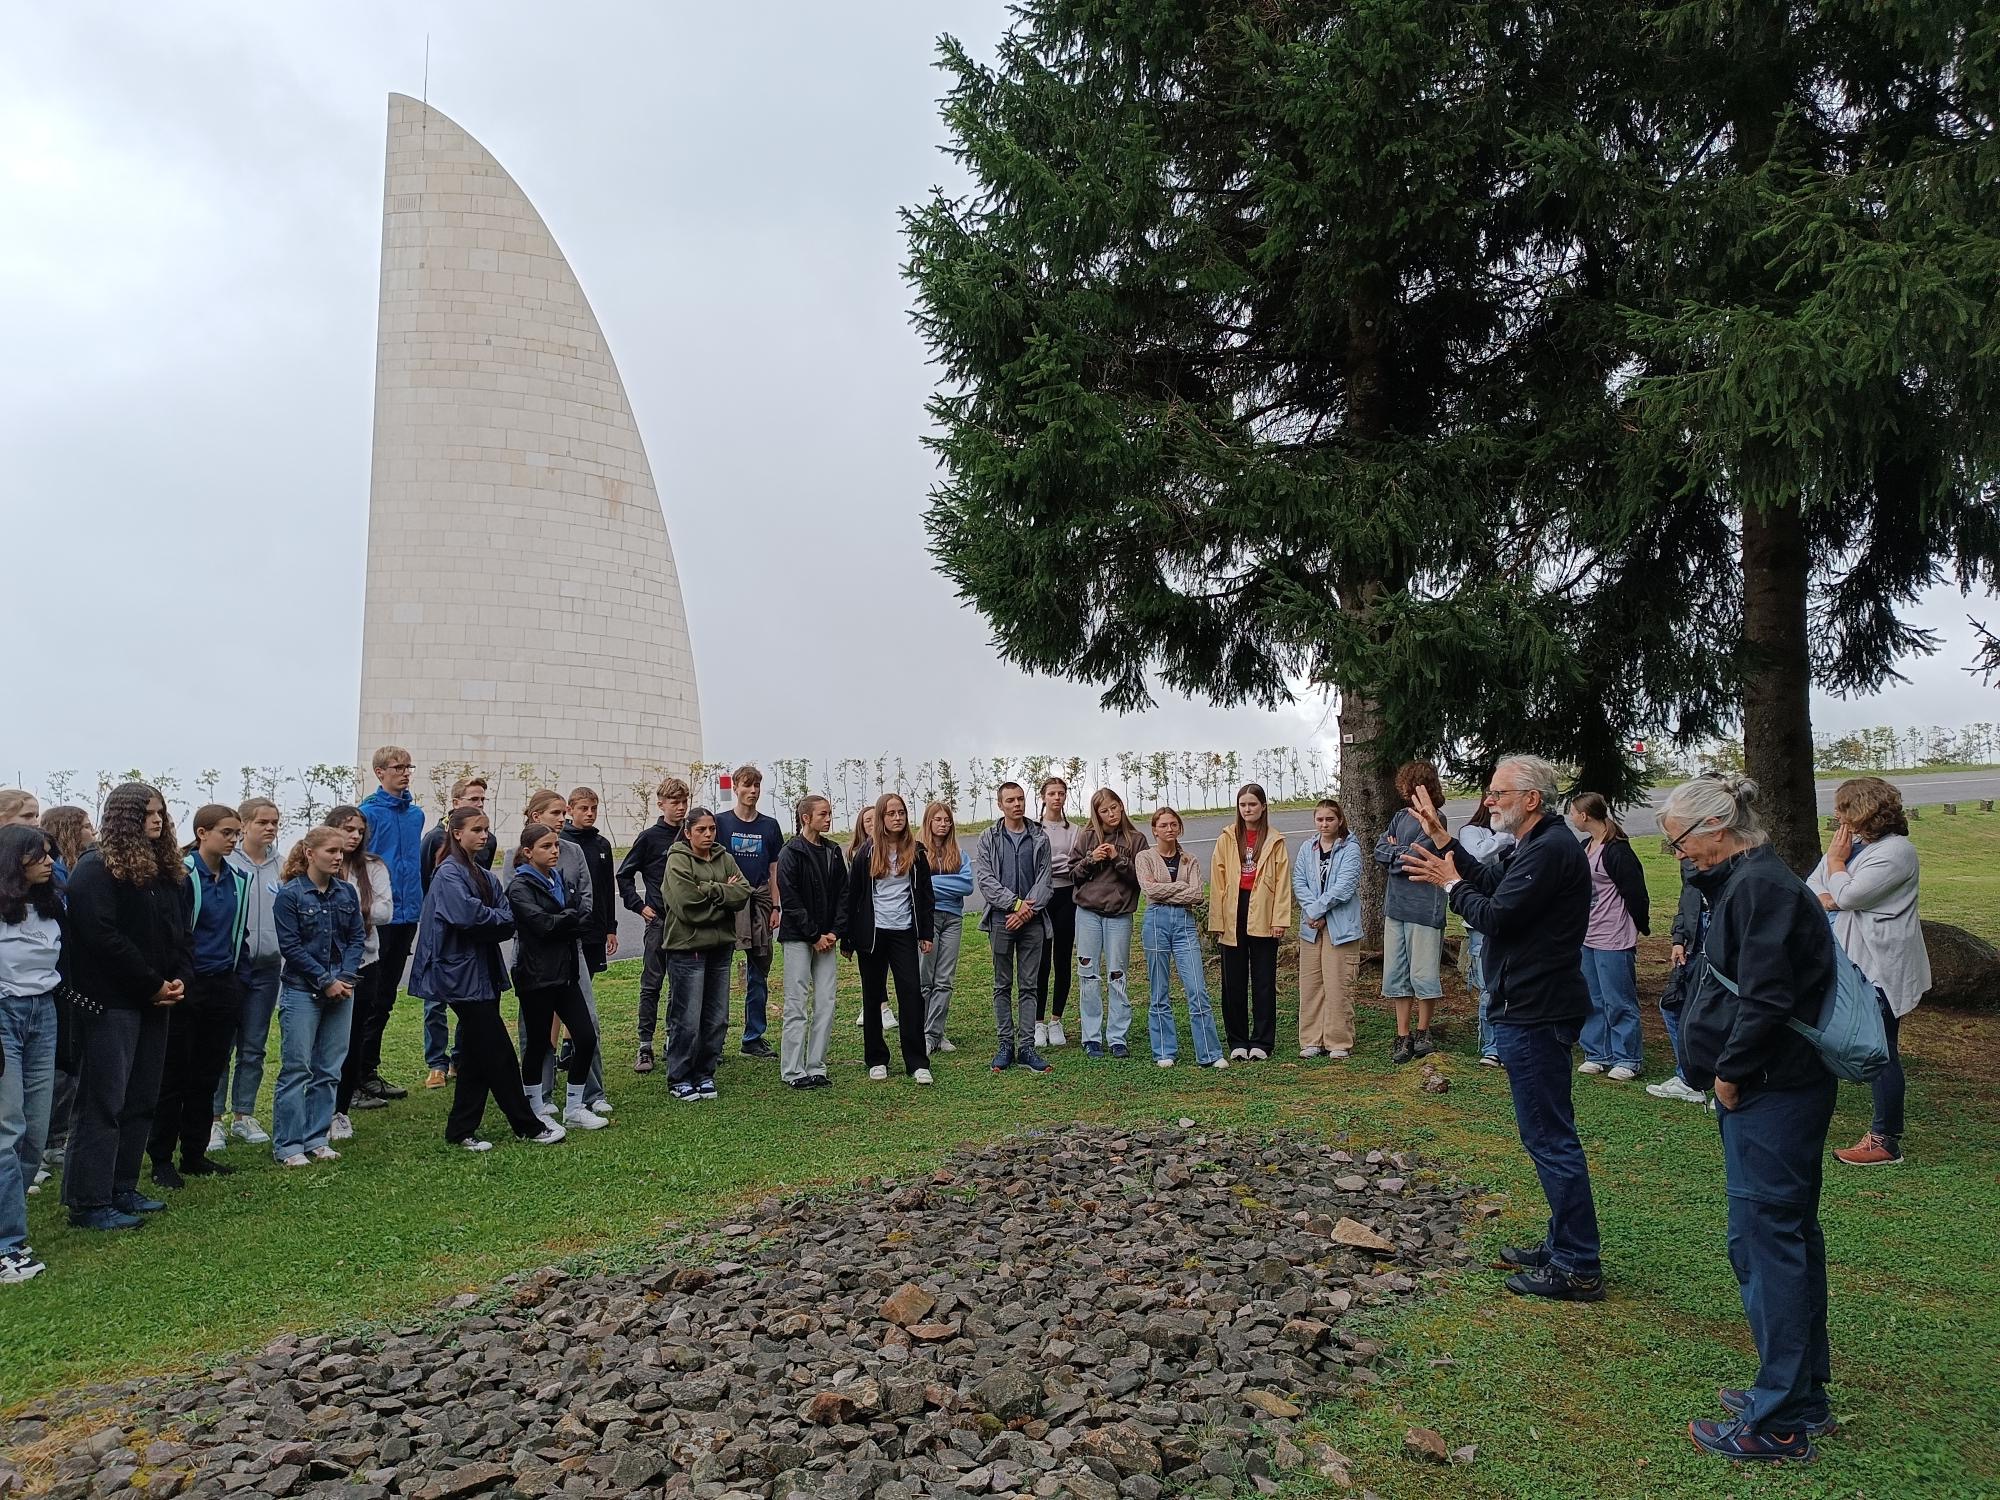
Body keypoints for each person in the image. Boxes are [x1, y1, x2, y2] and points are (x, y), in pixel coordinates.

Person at [1660, 774, 1840, 1462]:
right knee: (1778, 1238)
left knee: (1770, 1247)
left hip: (1774, 1092)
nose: (1681, 856)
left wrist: (1730, 1076)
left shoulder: (1761, 887)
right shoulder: (1750, 882)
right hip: (1776, 1091)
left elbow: (1765, 998)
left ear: (1716, 829)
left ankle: (1783, 1420)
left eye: (1682, 843)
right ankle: (1800, 1390)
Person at [1400, 756, 1604, 1303]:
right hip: (1528, 1004)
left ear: (1532, 799)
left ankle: (1578, 1265)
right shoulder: (1535, 845)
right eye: (1490, 793)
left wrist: (1448, 883)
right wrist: (1446, 841)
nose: (1489, 801)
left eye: (1499, 793)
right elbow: (1491, 879)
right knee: (1546, 1134)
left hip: (1536, 1010)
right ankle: (1563, 1244)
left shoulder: (1552, 849)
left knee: (1549, 1137)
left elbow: (1495, 915)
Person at [60, 782, 190, 1232]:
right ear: (125, 818)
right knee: (103, 1101)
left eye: (161, 812)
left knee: (140, 1098)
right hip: (111, 1003)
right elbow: (101, 936)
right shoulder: (97, 869)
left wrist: (176, 980)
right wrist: (150, 983)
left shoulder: (163, 869)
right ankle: (88, 1200)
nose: (157, 820)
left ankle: (122, 1186)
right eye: (148, 814)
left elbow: (178, 933)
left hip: (156, 1000)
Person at [411, 807, 563, 1150]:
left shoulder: (481, 873)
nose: (483, 835)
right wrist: (492, 918)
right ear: (456, 833)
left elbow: (505, 917)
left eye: (486, 829)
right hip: (457, 974)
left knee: (479, 1052)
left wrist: (491, 918)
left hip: (481, 972)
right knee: (498, 1050)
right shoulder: (448, 873)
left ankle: (461, 1129)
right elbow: (469, 917)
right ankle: (527, 1125)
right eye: (476, 830)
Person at [1809, 776, 1931, 1167]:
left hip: (1880, 966)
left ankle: (1885, 1140)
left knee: (1880, 1050)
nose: (1836, 816)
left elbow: (1848, 895)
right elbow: (1813, 886)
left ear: (1860, 811)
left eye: (1842, 808)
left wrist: (1836, 867)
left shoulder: (1896, 852)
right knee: (1838, 1037)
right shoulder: (1858, 846)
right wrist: (1833, 885)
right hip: (1851, 961)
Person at [147, 805, 249, 1188]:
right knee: (174, 1075)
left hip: (223, 983)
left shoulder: (237, 878)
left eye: (236, 832)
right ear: (202, 833)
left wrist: (239, 976)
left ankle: (194, 1152)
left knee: (208, 1073)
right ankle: (161, 1158)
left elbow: (238, 933)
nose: (233, 839)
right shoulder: (182, 876)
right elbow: (174, 933)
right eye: (226, 832)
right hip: (186, 984)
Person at [503, 791, 606, 1117]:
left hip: (571, 954)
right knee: (536, 1033)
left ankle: (591, 1094)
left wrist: (563, 921)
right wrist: (562, 920)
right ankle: (540, 1096)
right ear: (535, 817)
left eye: (564, 812)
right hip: (534, 958)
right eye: (556, 812)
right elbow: (524, 913)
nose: (563, 819)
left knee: (586, 1023)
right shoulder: (513, 858)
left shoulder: (573, 853)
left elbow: (584, 904)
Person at [269, 826, 365, 1168]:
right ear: (310, 853)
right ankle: (289, 1145)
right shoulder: (291, 895)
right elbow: (290, 946)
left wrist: (344, 977)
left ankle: (316, 1136)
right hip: (301, 990)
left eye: (341, 852)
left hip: (342, 988)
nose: (339, 857)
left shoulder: (347, 893)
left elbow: (357, 938)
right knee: (297, 1068)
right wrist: (325, 980)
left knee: (330, 1068)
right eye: (331, 852)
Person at [0, 825, 62, 1282]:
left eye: (49, 854)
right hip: (3, 1013)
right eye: (37, 856)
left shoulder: (49, 904)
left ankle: (9, 1224)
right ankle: (8, 1244)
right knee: (7, 1127)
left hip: (44, 1013)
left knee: (35, 1132)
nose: (48, 862)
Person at [660, 808, 752, 1103]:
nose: (708, 835)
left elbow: (744, 892)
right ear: (688, 832)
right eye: (701, 830)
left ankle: (704, 1073)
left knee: (716, 1017)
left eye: (712, 829)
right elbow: (687, 905)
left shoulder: (724, 857)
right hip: (688, 950)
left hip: (721, 948)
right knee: (687, 1017)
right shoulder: (677, 861)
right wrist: (725, 894)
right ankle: (679, 1077)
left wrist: (710, 889)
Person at [844, 793, 935, 1083]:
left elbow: (925, 897)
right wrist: (848, 938)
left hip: (904, 932)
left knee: (911, 995)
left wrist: (926, 933)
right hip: (872, 935)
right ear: (881, 818)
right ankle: (876, 1058)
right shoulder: (867, 853)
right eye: (891, 813)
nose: (897, 818)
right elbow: (853, 896)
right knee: (873, 996)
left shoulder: (917, 852)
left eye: (901, 813)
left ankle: (917, 1062)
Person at [414, 775, 495, 1087]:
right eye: (473, 799)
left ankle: (460, 1058)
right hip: (441, 931)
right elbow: (427, 885)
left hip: (473, 930)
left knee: (471, 995)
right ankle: (436, 1061)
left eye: (482, 800)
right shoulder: (433, 840)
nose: (478, 804)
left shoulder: (488, 841)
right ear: (456, 802)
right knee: (436, 999)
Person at [356, 746, 426, 1099]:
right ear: (380, 772)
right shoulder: (366, 814)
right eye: (397, 767)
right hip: (376, 917)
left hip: (407, 914)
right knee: (366, 996)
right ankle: (352, 1075)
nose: (404, 772)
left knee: (385, 998)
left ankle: (368, 1069)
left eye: (407, 767)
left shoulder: (416, 816)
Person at [1568, 792, 1651, 1081]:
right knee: (1591, 997)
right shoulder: (1585, 846)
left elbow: (1636, 892)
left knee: (1619, 999)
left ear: (1585, 815)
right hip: (1587, 935)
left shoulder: (1616, 850)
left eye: (1573, 812)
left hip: (1614, 936)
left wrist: (1641, 924)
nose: (1571, 817)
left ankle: (1627, 1057)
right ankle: (1597, 1053)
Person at [215, 797, 282, 1149]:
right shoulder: (226, 862)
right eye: (263, 822)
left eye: (274, 823)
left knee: (254, 1045)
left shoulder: (282, 866)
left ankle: (244, 1113)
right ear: (245, 826)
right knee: (221, 1043)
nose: (270, 828)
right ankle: (213, 1118)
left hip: (268, 967)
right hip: (230, 967)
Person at [974, 782, 1054, 1074]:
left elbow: (1046, 879)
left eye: (1020, 799)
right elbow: (985, 879)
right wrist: (1014, 905)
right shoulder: (988, 838)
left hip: (1032, 921)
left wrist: (1026, 910)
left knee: (1030, 985)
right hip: (1000, 920)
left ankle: (1027, 1047)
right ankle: (1005, 1044)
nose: (1017, 804)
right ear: (1000, 805)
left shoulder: (1039, 837)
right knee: (1002, 984)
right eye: (1010, 800)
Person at [1135, 808, 1224, 1069]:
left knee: (1197, 988)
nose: (1169, 829)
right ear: (1154, 830)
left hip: (1184, 922)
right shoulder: (1145, 857)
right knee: (1159, 988)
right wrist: (1180, 887)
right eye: (1163, 825)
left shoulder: (1190, 860)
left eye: (1174, 824)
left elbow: (1197, 895)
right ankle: (1164, 1050)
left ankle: (1209, 1052)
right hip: (1155, 922)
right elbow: (1149, 890)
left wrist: (1168, 891)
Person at [1210, 782, 1292, 1061]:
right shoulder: (1228, 837)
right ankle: (1237, 1041)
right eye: (1243, 805)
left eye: (1252, 804)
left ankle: (1262, 1041)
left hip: (1264, 912)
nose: (1247, 809)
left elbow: (1283, 883)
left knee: (1263, 979)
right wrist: (1218, 920)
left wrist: (1279, 919)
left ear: (1263, 807)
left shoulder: (1274, 839)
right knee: (1233, 981)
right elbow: (1218, 880)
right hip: (1234, 911)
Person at [326, 807, 393, 1142]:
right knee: (322, 1040)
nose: (353, 835)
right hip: (325, 965)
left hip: (365, 962)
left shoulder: (373, 866)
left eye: (358, 830)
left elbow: (385, 910)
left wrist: (350, 908)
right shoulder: (319, 864)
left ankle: (340, 1110)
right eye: (347, 828)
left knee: (353, 1039)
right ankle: (317, 1108)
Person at [1375, 761, 1449, 1063]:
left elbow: (1414, 858)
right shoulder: (1399, 817)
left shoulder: (1436, 819)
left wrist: (1396, 852)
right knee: (1396, 974)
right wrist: (1396, 852)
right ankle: (1402, 1035)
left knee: (1423, 973)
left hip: (1425, 909)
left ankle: (1423, 1032)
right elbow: (1381, 851)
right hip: (1396, 907)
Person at [615, 776, 687, 1073]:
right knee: (651, 984)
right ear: (661, 804)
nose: (681, 808)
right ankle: (645, 1045)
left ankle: (675, 1040)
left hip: (686, 924)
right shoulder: (649, 837)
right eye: (675, 802)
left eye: (684, 802)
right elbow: (624, 875)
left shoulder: (691, 834)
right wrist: (640, 906)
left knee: (681, 985)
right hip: (658, 921)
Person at [35, 807, 92, 1180]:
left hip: (73, 981)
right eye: (86, 824)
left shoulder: (74, 868)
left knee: (68, 1065)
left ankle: (56, 1140)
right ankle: (38, 1146)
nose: (93, 829)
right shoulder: (54, 874)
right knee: (51, 1070)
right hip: (50, 985)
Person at [776, 795, 847, 1088]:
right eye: (823, 814)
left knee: (826, 1002)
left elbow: (844, 894)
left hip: (827, 939)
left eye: (830, 813)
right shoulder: (790, 852)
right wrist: (813, 934)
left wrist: (833, 932)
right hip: (798, 939)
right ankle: (793, 1070)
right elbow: (789, 899)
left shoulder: (833, 851)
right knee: (796, 1003)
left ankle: (816, 1066)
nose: (829, 818)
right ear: (806, 817)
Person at [1070, 788, 1147, 1060]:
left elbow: (1142, 878)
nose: (1111, 814)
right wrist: (1092, 859)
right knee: (1088, 975)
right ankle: (1091, 1037)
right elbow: (1073, 874)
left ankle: (1117, 1037)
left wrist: (1117, 858)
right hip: (1088, 914)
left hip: (1119, 916)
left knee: (1118, 975)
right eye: (1104, 810)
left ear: (1121, 807)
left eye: (1114, 807)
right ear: (1097, 813)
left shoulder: (1136, 839)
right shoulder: (1087, 837)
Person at [714, 768, 785, 1060]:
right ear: (737, 788)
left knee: (759, 974)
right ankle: (713, 1041)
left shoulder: (769, 826)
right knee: (719, 973)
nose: (753, 791)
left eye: (757, 785)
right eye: (747, 785)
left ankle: (753, 1036)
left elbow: (774, 869)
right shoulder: (720, 823)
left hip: (760, 904)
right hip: (728, 907)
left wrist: (776, 906)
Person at [1292, 798, 1362, 1060]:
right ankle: (1312, 1039)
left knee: (1338, 984)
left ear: (1340, 820)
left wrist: (1319, 911)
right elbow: (1299, 881)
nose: (1324, 824)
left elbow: (1344, 887)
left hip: (1339, 927)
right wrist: (1312, 911)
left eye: (1329, 819)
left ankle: (1338, 1041)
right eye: (1320, 819)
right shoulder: (1306, 848)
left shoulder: (1350, 849)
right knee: (1311, 985)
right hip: (1311, 928)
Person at [1456, 801, 1515, 1067]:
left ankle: (1512, 1043)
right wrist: (1504, 835)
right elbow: (1477, 859)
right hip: (1482, 920)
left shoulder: (1525, 836)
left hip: (1515, 917)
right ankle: (1492, 1046)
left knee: (1515, 984)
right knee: (1489, 987)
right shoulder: (1471, 831)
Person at [1646, 861, 1709, 1104]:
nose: (1679, 851)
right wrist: (1679, 938)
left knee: (1717, 1009)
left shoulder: (1733, 859)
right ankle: (1690, 1078)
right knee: (1673, 1004)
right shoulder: (1689, 858)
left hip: (1717, 934)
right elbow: (1687, 897)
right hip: (1694, 937)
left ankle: (1727, 1080)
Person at [918, 802, 973, 1055]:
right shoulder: (917, 852)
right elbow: (916, 886)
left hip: (953, 919)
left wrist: (931, 884)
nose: (943, 824)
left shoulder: (959, 854)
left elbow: (967, 885)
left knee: (944, 980)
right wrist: (943, 884)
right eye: (938, 819)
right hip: (926, 919)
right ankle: (924, 1033)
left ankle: (935, 1033)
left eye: (947, 820)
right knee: (925, 979)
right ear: (929, 822)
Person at [1031, 777, 1079, 1049]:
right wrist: (1054, 866)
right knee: (1041, 962)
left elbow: (1074, 863)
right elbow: (1038, 864)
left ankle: (1056, 1020)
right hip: (1042, 897)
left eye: (1061, 793)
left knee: (1062, 960)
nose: (1057, 798)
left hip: (1067, 896)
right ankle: (1037, 1024)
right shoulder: (1035, 829)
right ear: (1043, 797)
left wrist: (1055, 865)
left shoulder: (1075, 830)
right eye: (1052, 793)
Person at [846, 806, 893, 1031]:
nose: (872, 824)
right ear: (861, 825)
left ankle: (883, 1007)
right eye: (867, 821)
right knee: (869, 969)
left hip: (887, 920)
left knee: (884, 967)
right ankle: (872, 1006)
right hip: (865, 922)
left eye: (876, 819)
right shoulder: (856, 854)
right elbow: (853, 892)